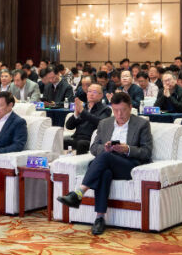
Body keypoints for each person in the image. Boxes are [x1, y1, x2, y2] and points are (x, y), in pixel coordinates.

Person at [56, 92, 153, 236]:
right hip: (106, 162)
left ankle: (79, 192)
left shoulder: (142, 124)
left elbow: (146, 152)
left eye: (123, 110)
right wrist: (105, 149)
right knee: (104, 172)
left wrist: (127, 149)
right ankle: (99, 218)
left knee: (104, 159)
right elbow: (94, 148)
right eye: (116, 110)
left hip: (129, 165)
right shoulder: (105, 123)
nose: (119, 114)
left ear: (130, 107)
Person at [65, 84, 112, 154]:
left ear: (101, 95)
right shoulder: (84, 108)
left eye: (94, 92)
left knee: (81, 144)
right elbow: (69, 126)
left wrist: (82, 112)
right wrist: (76, 114)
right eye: (89, 91)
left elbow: (100, 122)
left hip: (91, 140)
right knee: (60, 141)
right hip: (77, 138)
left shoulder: (105, 109)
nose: (91, 94)